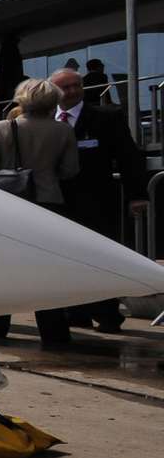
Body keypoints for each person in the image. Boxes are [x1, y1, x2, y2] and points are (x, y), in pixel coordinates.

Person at [0, 78, 79, 347]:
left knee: (2, 267)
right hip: (49, 201)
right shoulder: (63, 131)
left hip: (8, 203)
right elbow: (71, 170)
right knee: (48, 271)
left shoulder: (1, 128)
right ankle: (54, 331)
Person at [51, 66, 148, 332]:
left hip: (97, 203)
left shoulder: (107, 117)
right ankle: (76, 312)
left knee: (99, 258)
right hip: (57, 205)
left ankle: (107, 314)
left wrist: (137, 195)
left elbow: (128, 156)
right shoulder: (45, 118)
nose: (72, 92)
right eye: (65, 87)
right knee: (66, 260)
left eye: (76, 86)